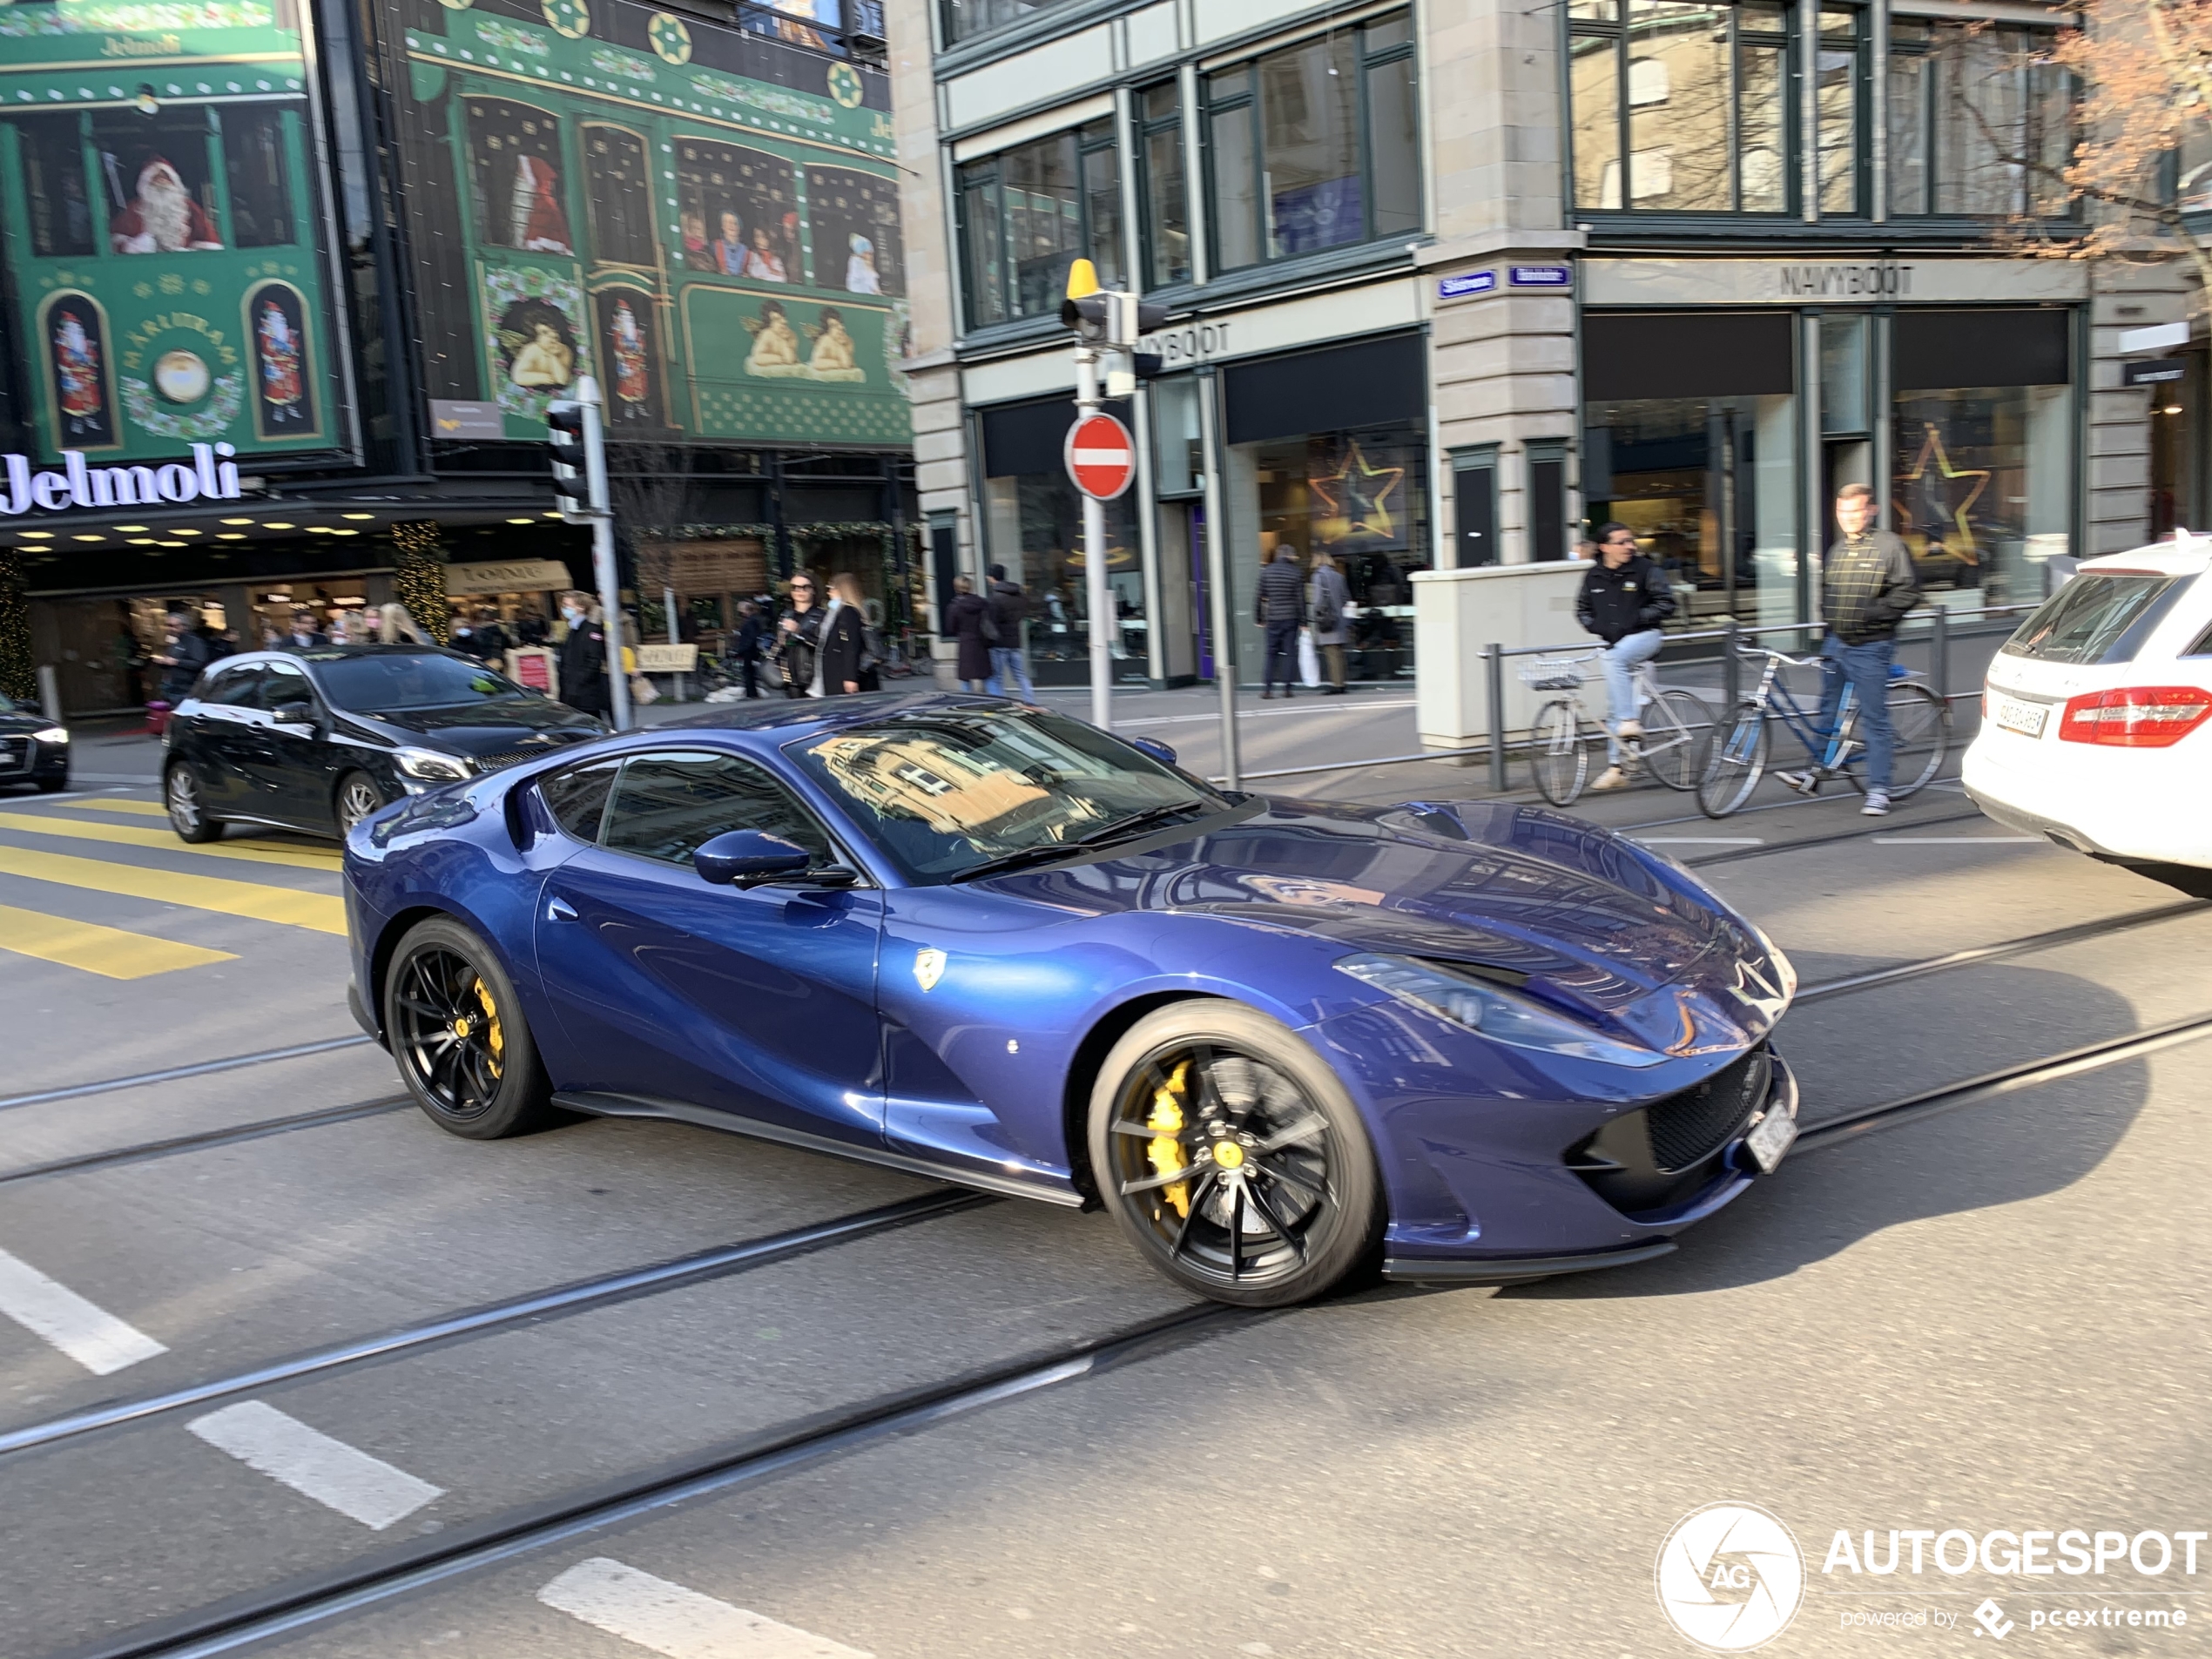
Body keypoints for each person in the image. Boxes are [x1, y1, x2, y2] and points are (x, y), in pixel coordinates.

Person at [1777, 482, 1923, 815]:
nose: (1849, 518)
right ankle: (1815, 772)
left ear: (1871, 510)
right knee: (1828, 710)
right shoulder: (1838, 549)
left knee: (1874, 718)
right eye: (1843, 512)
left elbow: (1908, 592)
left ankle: (1879, 790)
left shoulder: (1890, 546)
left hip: (1872, 646)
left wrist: (1873, 613)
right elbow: (1828, 591)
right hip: (1838, 643)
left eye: (1856, 511)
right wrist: (1829, 623)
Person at [1575, 523, 1677, 791]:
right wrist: (1599, 627)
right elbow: (1582, 609)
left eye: (1630, 541)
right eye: (1622, 542)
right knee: (1615, 701)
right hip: (1615, 641)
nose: (1629, 546)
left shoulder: (1646, 570)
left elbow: (1666, 603)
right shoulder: (1593, 576)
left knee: (1614, 662)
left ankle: (1629, 722)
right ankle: (1617, 767)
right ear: (1604, 547)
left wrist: (1633, 620)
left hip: (1646, 636)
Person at [1253, 542, 1305, 699]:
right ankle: (1287, 688)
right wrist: (1304, 622)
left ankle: (1268, 689)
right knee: (1290, 653)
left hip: (1273, 617)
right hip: (1290, 617)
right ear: (1289, 556)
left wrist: (1259, 617)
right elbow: (1300, 600)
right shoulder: (1296, 573)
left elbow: (1259, 597)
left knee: (1271, 653)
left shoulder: (1266, 572)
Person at [818, 573, 880, 695]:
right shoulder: (836, 612)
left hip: (842, 673)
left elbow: (851, 646)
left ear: (842, 590)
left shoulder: (848, 612)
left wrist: (850, 677)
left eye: (831, 588)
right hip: (837, 671)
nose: (829, 592)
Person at [983, 563, 1035, 701]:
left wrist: (988, 640)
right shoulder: (1019, 596)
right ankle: (1030, 702)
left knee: (997, 678)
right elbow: (1023, 614)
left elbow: (991, 622)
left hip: (999, 642)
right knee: (1020, 675)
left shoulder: (994, 598)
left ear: (992, 577)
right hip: (1014, 640)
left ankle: (1000, 705)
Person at [556, 590, 611, 718]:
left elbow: (593, 661)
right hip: (571, 693)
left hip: (584, 694)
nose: (563, 609)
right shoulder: (572, 630)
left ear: (581, 607)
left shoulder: (591, 630)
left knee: (590, 727)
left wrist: (576, 683)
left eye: (567, 605)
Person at [773, 572, 826, 698]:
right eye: (795, 587)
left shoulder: (821, 616)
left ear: (813, 590)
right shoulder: (785, 615)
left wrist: (799, 632)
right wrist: (780, 642)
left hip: (814, 677)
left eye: (805, 587)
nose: (799, 591)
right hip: (790, 677)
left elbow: (825, 645)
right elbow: (781, 647)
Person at [148, 610, 212, 706]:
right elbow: (172, 661)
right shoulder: (175, 641)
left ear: (184, 626)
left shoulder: (193, 642)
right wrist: (163, 662)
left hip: (186, 690)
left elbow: (199, 663)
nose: (170, 629)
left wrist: (176, 662)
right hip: (173, 688)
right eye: (168, 625)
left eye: (173, 626)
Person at [1308, 551, 1352, 695]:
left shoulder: (1318, 576)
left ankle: (1336, 685)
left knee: (1331, 653)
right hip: (1339, 619)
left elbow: (1318, 600)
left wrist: (1315, 614)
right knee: (1339, 652)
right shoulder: (1339, 576)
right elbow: (1346, 597)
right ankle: (1342, 683)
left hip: (1326, 618)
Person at [944, 575, 992, 692]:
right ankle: (997, 701)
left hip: (966, 642)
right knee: (987, 678)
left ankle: (968, 704)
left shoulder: (954, 606)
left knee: (965, 678)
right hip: (981, 641)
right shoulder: (982, 603)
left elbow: (950, 627)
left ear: (956, 588)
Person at [734, 599, 766, 698]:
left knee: (748, 672)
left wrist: (742, 649)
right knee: (749, 672)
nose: (740, 613)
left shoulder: (750, 622)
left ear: (745, 610)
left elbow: (751, 637)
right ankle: (752, 693)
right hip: (751, 649)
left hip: (749, 650)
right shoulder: (754, 620)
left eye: (741, 611)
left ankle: (751, 693)